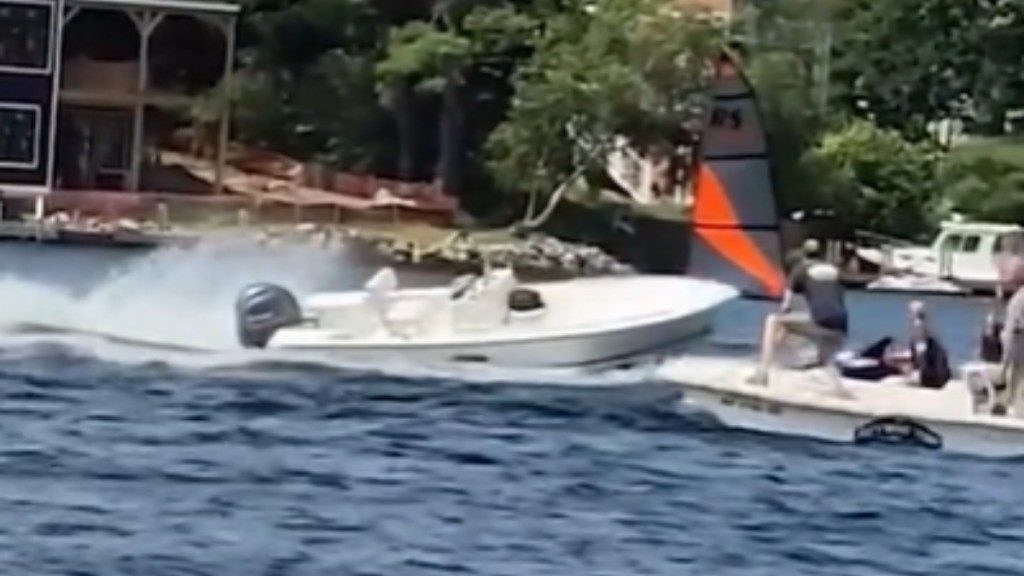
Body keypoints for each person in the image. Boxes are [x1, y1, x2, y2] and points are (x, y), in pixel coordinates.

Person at [751, 239, 848, 384]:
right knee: (824, 364)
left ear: (804, 254)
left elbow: (786, 306)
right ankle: (841, 395)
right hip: (841, 324)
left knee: (773, 320)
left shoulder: (800, 269)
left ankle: (762, 373)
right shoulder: (834, 270)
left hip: (820, 320)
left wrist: (784, 332)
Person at [886, 301, 951, 389]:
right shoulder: (914, 343)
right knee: (890, 381)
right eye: (912, 317)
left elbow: (941, 375)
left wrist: (920, 376)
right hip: (922, 380)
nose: (916, 323)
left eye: (920, 317)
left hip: (932, 381)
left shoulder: (934, 347)